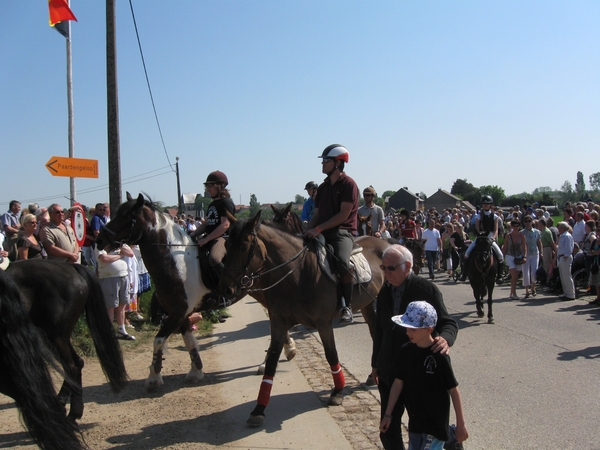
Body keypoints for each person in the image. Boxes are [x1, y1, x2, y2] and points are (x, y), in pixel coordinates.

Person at [371, 245, 458, 450]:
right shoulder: (384, 291)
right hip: (390, 371)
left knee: (427, 430)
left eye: (391, 268)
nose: (386, 273)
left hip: (419, 375)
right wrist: (375, 363)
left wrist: (445, 339)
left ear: (407, 266)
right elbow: (380, 330)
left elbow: (448, 323)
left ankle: (452, 439)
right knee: (388, 430)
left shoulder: (425, 290)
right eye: (383, 267)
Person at [379, 301, 468, 450]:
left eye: (413, 329)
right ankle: (451, 437)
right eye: (407, 327)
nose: (408, 332)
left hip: (435, 423)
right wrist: (388, 414)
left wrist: (461, 424)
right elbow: (398, 383)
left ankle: (451, 434)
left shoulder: (439, 355)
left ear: (429, 329)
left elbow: (453, 390)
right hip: (415, 421)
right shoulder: (405, 351)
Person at [306, 144, 359, 323]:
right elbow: (317, 214)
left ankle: (347, 306)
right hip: (322, 231)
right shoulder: (322, 188)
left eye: (326, 161)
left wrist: (319, 229)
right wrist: (306, 231)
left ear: (338, 163)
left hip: (342, 233)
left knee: (343, 262)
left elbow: (343, 214)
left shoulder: (349, 185)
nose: (323, 164)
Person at [190, 171, 235, 294]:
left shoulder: (226, 203)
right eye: (207, 185)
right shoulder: (213, 204)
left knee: (214, 259)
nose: (208, 188)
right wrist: (193, 235)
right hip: (210, 237)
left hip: (222, 238)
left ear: (220, 186)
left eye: (211, 185)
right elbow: (206, 224)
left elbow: (225, 225)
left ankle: (226, 288)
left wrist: (206, 239)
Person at [95, 243, 136, 340]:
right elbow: (105, 259)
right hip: (109, 277)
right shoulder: (100, 245)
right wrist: (120, 255)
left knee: (122, 305)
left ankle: (121, 330)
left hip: (123, 276)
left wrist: (120, 245)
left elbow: (130, 253)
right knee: (111, 306)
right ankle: (109, 332)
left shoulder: (118, 243)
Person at [461, 195, 504, 282]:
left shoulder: (495, 216)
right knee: (467, 253)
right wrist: (480, 235)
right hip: (481, 236)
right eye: (484, 204)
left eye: (487, 204)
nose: (485, 205)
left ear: (490, 205)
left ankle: (500, 275)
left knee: (500, 255)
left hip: (490, 236)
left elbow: (496, 230)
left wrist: (493, 238)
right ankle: (464, 273)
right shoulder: (478, 216)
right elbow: (477, 228)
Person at [502, 219, 527, 300]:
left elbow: (524, 247)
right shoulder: (508, 236)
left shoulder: (522, 236)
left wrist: (525, 256)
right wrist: (502, 256)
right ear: (512, 227)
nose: (516, 227)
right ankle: (514, 293)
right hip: (510, 256)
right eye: (514, 226)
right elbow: (505, 246)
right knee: (514, 275)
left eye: (517, 226)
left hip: (519, 257)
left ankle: (511, 292)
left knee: (515, 277)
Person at [521, 216, 542, 298]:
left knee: (534, 271)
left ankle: (533, 287)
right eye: (525, 221)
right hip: (525, 255)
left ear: (531, 222)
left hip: (534, 253)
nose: (527, 223)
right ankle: (526, 290)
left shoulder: (537, 232)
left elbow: (539, 242)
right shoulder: (522, 233)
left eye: (529, 221)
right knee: (526, 272)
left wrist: (541, 252)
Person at [556, 221, 575, 301]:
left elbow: (569, 248)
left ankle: (570, 294)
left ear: (563, 228)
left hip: (565, 257)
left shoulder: (567, 236)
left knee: (567, 276)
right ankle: (566, 292)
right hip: (561, 257)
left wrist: (566, 256)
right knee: (563, 276)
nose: (558, 229)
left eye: (559, 227)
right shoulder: (562, 236)